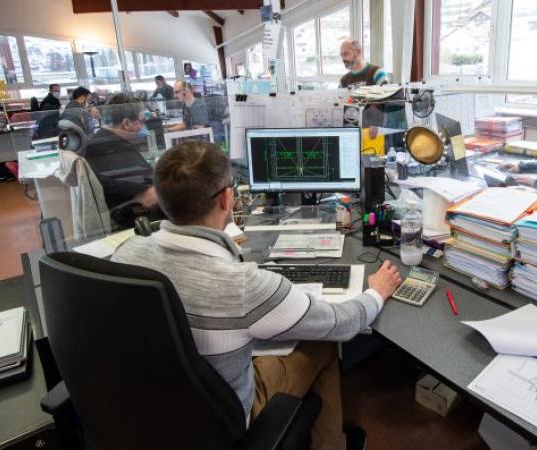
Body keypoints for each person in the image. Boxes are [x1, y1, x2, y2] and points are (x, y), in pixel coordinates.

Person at [112, 141, 402, 450]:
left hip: (148, 411)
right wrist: (376, 292)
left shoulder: (126, 253)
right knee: (323, 342)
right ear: (226, 199)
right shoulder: (244, 284)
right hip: (222, 422)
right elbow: (340, 324)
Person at [83, 93, 160, 229]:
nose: (143, 126)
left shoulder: (101, 140)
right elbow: (149, 198)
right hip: (133, 220)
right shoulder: (114, 151)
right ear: (126, 123)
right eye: (141, 121)